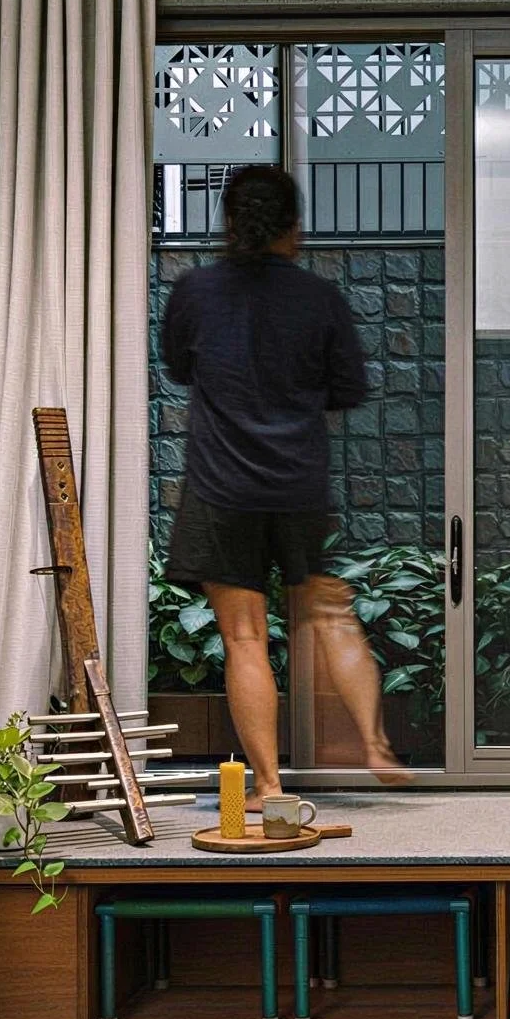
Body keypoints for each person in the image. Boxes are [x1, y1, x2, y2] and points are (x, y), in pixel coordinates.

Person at [161, 165, 411, 810]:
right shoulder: (317, 298)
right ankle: (375, 742)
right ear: (293, 229)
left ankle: (268, 785)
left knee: (245, 637)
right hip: (298, 482)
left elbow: (179, 368)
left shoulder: (195, 291)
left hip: (220, 488)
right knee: (328, 612)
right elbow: (351, 389)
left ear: (229, 223)